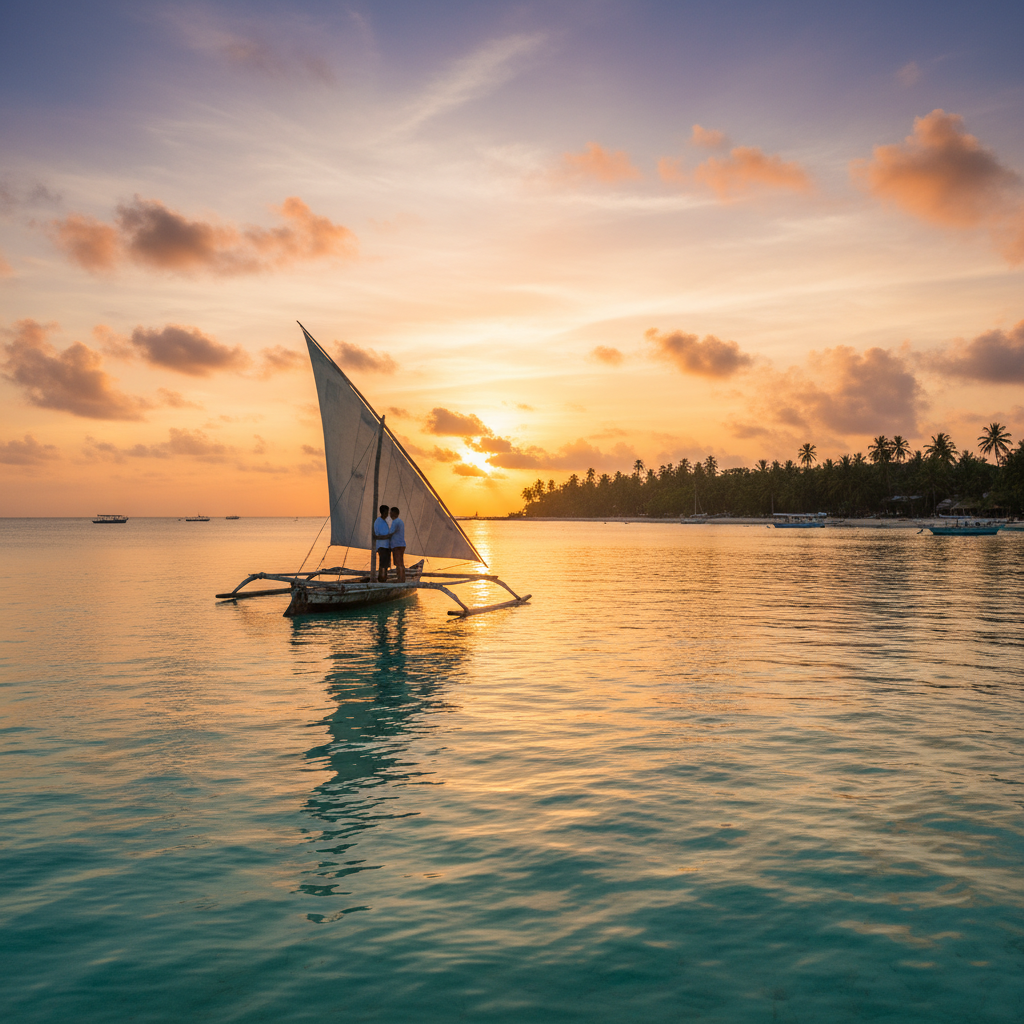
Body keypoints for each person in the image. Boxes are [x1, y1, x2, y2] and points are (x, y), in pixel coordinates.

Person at [373, 504, 392, 582]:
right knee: (383, 563)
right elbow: (379, 535)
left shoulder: (386, 521)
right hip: (382, 546)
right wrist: (389, 536)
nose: (387, 514)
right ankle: (381, 578)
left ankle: (385, 578)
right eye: (386, 512)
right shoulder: (378, 522)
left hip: (387, 546)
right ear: (383, 512)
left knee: (386, 564)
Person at [389, 506, 406, 582]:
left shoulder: (395, 522)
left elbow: (390, 532)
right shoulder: (400, 521)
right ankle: (401, 578)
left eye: (391, 512)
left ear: (395, 513)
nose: (390, 514)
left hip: (397, 545)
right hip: (400, 545)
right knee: (399, 563)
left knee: (399, 563)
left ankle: (401, 579)